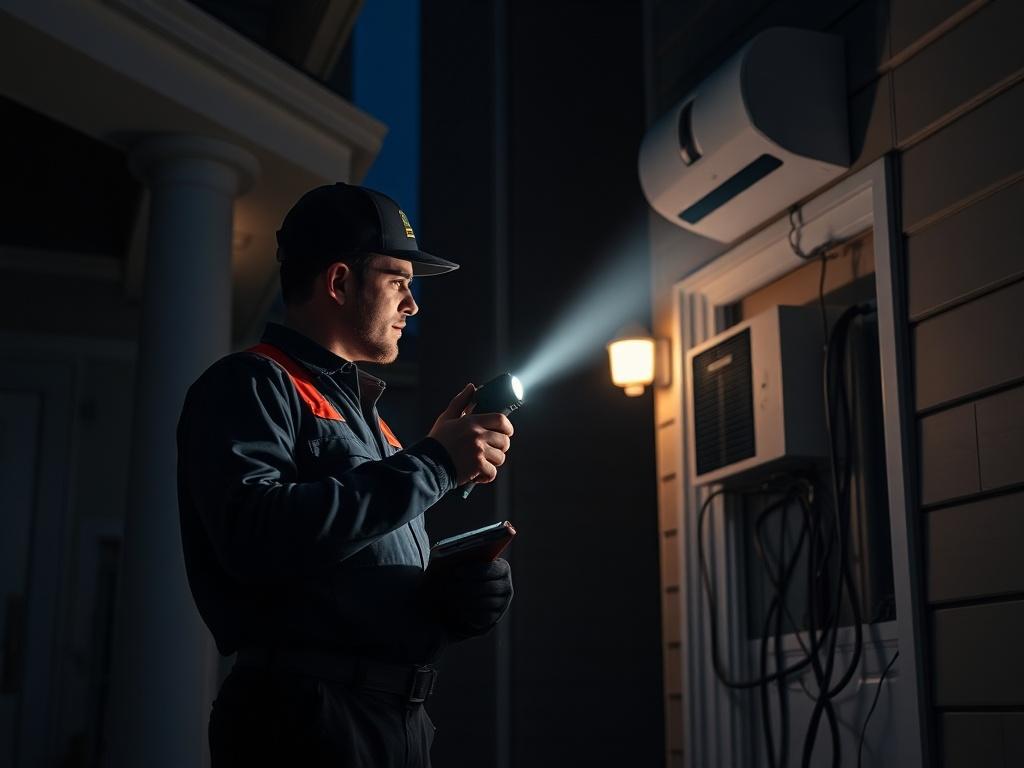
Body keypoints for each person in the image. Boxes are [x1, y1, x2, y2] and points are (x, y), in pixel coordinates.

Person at [176, 182, 515, 767]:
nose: (413, 305)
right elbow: (257, 538)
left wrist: (455, 598)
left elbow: (352, 576)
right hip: (303, 726)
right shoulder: (250, 384)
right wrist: (435, 461)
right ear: (338, 282)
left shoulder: (373, 425)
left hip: (393, 723)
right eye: (398, 283)